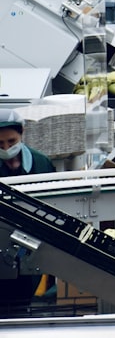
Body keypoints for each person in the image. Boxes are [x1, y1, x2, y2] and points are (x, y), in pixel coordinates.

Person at [0, 110, 55, 306]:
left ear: (22, 133)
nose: (6, 148)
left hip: (31, 242)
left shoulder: (40, 163)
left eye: (11, 142)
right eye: (0, 144)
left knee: (23, 298)